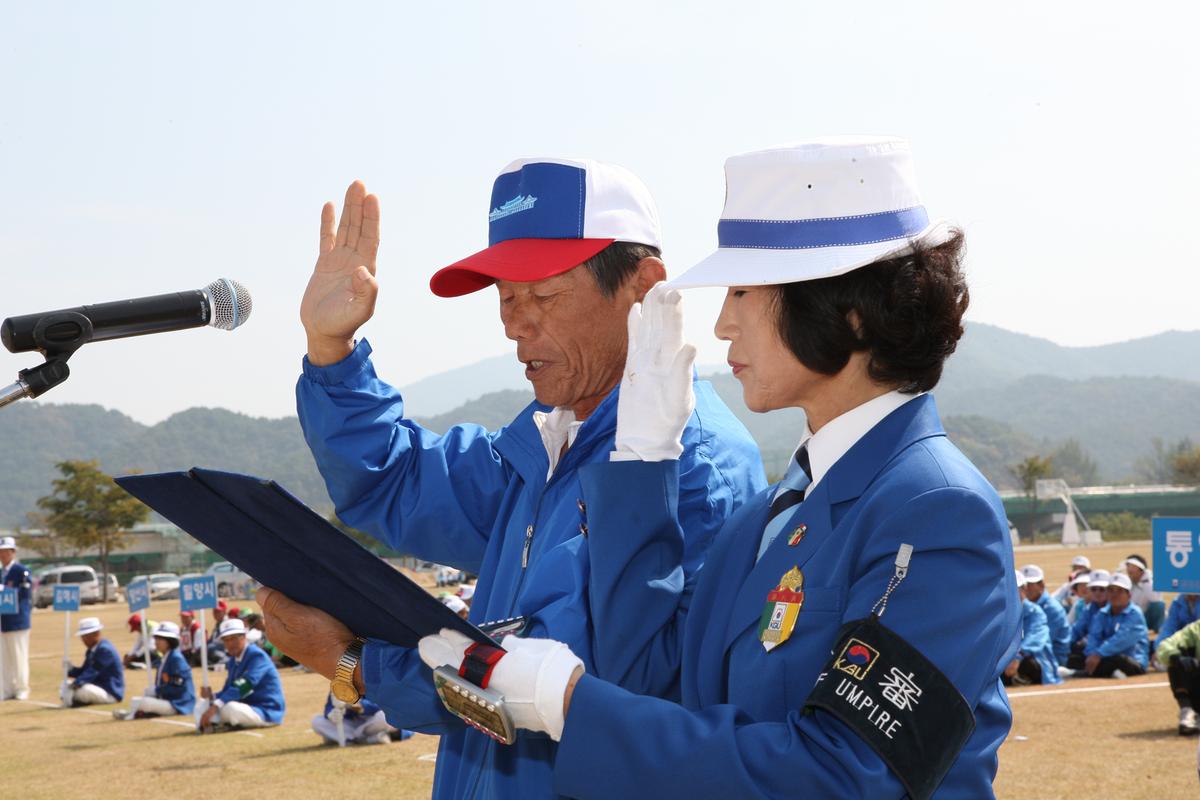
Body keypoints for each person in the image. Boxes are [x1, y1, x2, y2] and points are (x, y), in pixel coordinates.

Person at [415, 137, 1021, 798]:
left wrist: (568, 703)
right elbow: (643, 673)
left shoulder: (935, 509)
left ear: (847, 308)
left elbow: (845, 775)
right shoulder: (776, 513)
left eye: (742, 290)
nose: (725, 323)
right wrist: (641, 466)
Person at [263, 160, 765, 796]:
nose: (514, 322)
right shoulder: (541, 442)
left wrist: (355, 668)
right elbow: (396, 478)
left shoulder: (690, 468)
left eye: (545, 295)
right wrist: (331, 350)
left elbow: (561, 689)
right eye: (505, 296)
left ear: (642, 288)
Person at [195, 618, 284, 731]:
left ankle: (218, 725)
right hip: (246, 706)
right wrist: (212, 697)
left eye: (234, 638)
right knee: (203, 703)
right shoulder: (233, 660)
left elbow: (246, 683)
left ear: (244, 637)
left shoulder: (256, 655)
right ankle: (207, 727)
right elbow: (228, 689)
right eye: (226, 640)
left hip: (265, 710)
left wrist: (216, 704)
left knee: (229, 708)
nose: (230, 643)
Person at [113, 621, 195, 719]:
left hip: (179, 704)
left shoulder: (176, 659)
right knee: (137, 700)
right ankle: (138, 713)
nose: (156, 641)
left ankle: (131, 715)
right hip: (168, 700)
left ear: (170, 641)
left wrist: (156, 691)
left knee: (143, 702)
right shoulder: (166, 658)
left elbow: (178, 687)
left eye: (160, 639)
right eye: (156, 638)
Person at [1083, 572, 1148, 678]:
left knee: (1118, 659)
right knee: (1079, 654)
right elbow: (1094, 637)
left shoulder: (1135, 614)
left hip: (1132, 660)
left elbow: (1121, 639)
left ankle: (1084, 672)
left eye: (1119, 591)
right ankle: (1110, 672)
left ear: (1129, 595)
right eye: (1111, 590)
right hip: (1105, 656)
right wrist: (1091, 654)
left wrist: (1098, 654)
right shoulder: (1102, 613)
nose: (1115, 594)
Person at [1003, 570, 1060, 686]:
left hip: (1036, 660)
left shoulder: (1036, 613)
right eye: (1009, 589)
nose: (1012, 593)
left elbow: (1035, 639)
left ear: (1024, 589)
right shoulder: (1003, 614)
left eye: (1016, 588)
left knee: (1027, 664)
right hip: (1010, 659)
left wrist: (1017, 656)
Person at [1153, 616, 1200, 735]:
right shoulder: (1195, 629)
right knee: (1176, 659)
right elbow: (1165, 645)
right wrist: (1176, 657)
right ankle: (1188, 712)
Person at [62, 617, 124, 706]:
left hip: (109, 692)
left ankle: (73, 701)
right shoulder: (91, 650)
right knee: (65, 684)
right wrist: (70, 669)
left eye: (86, 636)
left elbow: (93, 671)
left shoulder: (105, 650)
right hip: (97, 687)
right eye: (82, 637)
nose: (83, 640)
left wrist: (76, 684)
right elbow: (84, 671)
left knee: (81, 690)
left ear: (97, 633)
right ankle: (74, 699)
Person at [0, 536, 32, 700]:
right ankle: (6, 689)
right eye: (1, 552)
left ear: (13, 552)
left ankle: (21, 688)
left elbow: (25, 593)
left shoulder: (21, 571)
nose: (3, 555)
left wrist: (5, 590)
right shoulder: (1, 573)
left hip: (18, 620)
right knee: (4, 658)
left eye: (6, 552)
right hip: (2, 621)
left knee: (19, 655)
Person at [1021, 565, 1071, 667]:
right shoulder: (1026, 605)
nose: (1026, 589)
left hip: (1053, 657)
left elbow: (1043, 640)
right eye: (1023, 585)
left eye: (1030, 584)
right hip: (1035, 652)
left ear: (1041, 585)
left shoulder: (1052, 609)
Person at [311, 691, 393, 746]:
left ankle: (347, 738)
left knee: (384, 716)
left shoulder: (373, 675)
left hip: (370, 721)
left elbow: (383, 704)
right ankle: (369, 739)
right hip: (350, 722)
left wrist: (360, 705)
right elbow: (329, 706)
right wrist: (331, 714)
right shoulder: (340, 678)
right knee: (317, 721)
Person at [1065, 571, 1110, 670]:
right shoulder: (1089, 609)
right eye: (1093, 589)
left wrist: (1096, 654)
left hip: (1110, 651)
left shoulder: (1116, 608)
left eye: (1102, 589)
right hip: (1093, 649)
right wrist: (1063, 645)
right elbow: (1076, 631)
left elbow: (1117, 640)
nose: (1097, 593)